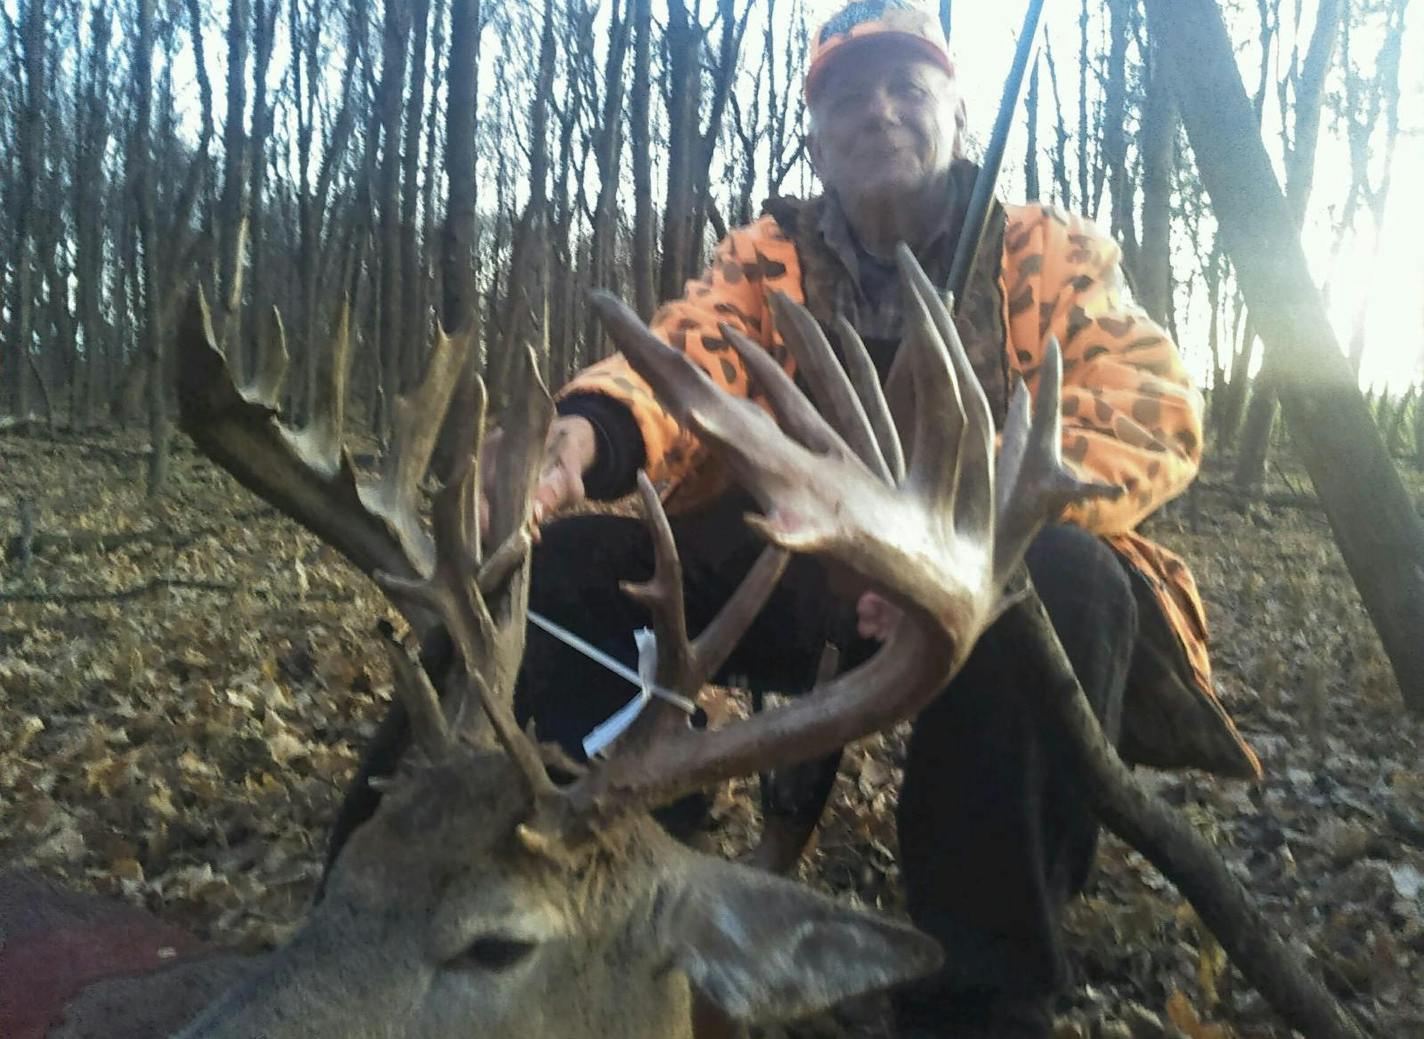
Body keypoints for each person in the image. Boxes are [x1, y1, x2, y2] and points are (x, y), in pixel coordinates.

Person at [343, 2, 1262, 1035]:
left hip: (978, 594)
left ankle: (982, 992)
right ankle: (542, 881)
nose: (879, 112)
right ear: (815, 137)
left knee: (1059, 579)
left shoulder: (1042, 252)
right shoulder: (769, 254)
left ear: (953, 116)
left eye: (906, 88)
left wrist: (952, 528)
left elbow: (1148, 404)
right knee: (560, 562)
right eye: (847, 95)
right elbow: (690, 355)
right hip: (793, 571)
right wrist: (583, 439)